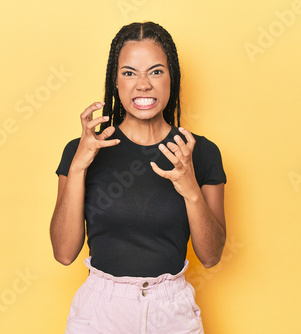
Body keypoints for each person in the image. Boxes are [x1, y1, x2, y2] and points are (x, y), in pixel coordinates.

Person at [50, 21, 227, 334]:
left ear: (172, 78)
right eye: (129, 72)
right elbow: (64, 253)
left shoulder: (199, 152)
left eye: (156, 71)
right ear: (115, 81)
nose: (143, 84)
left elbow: (211, 256)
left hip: (171, 311)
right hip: (100, 312)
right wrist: (78, 166)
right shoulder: (81, 152)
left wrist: (190, 190)